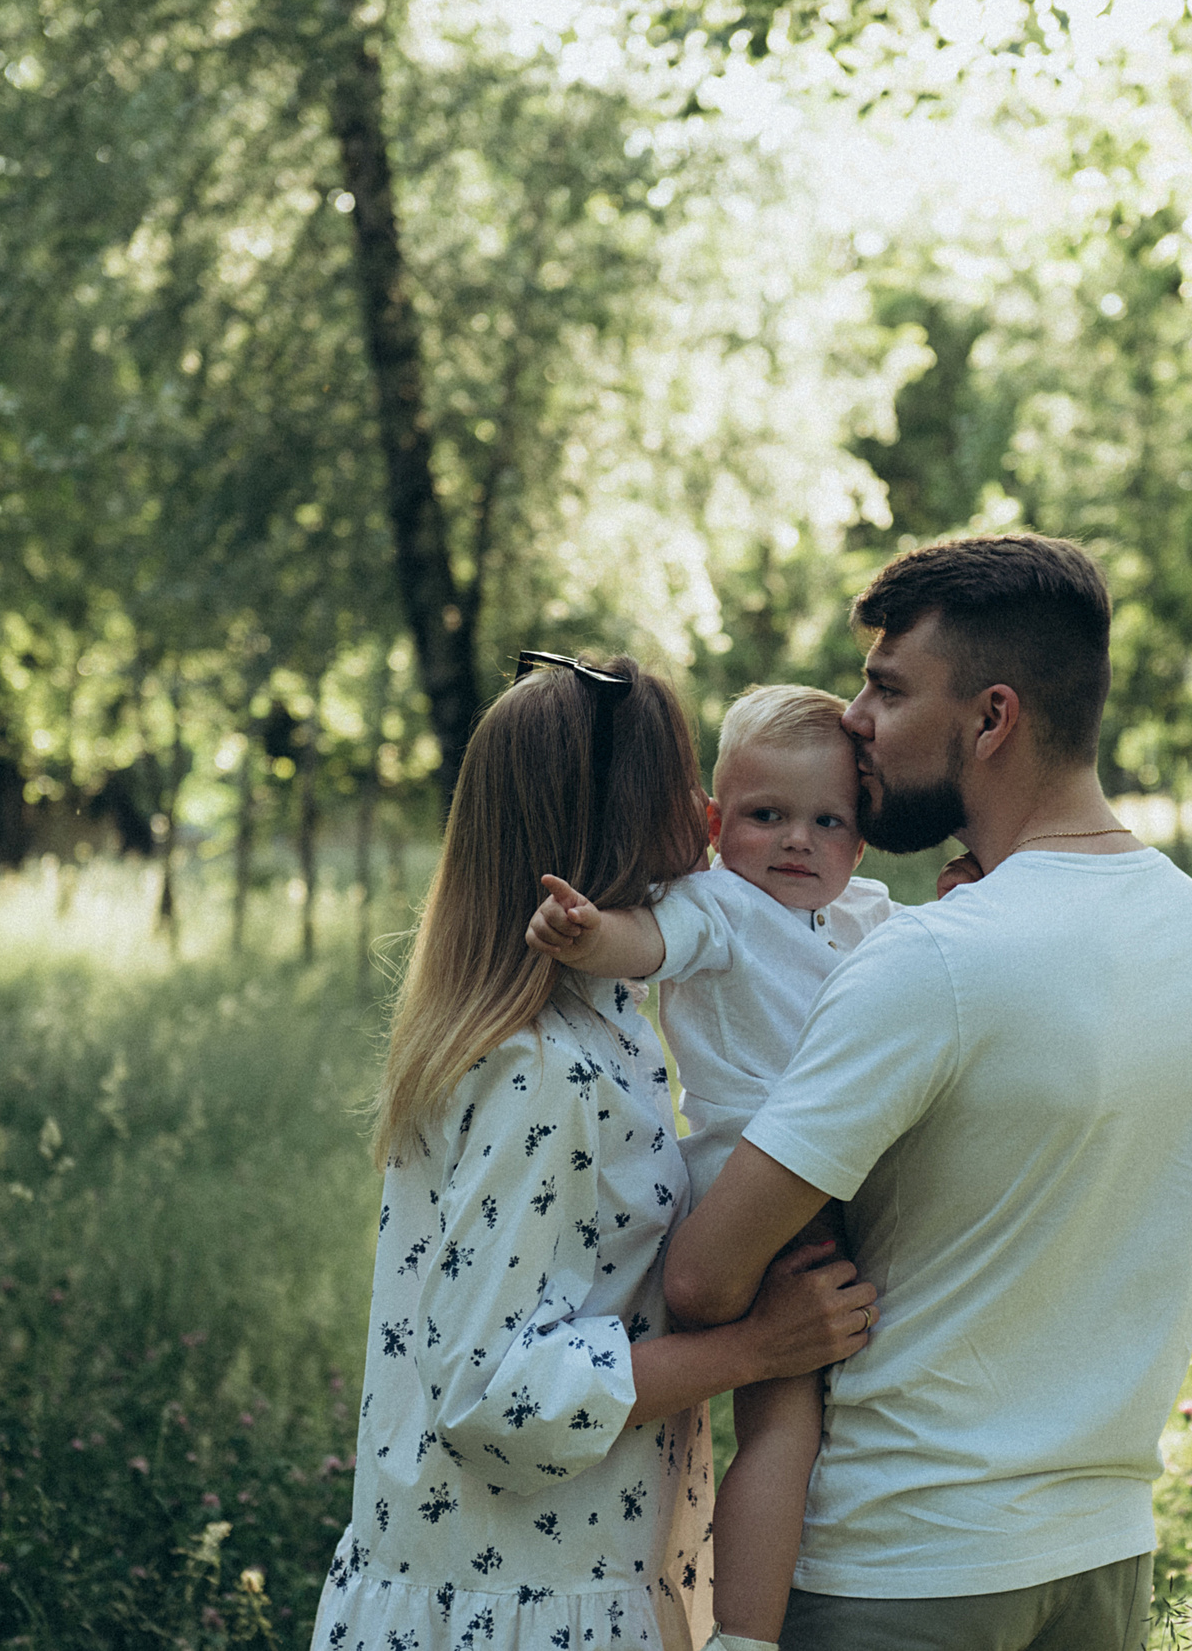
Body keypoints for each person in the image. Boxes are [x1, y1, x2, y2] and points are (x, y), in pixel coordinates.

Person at [662, 535, 1192, 1651]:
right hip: (1100, 1566)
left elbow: (708, 1276)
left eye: (888, 688)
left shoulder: (926, 960)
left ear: (991, 718)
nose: (854, 716)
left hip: (901, 1573)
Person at [313, 653, 878, 1651]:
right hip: (524, 1603)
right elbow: (495, 1391)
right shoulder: (540, 1067)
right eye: (681, 792)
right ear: (626, 825)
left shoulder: (592, 1018)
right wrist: (753, 1348)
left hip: (555, 1572)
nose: (704, 813)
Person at [525, 685, 978, 1651]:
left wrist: (973, 897)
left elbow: (940, 965)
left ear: (861, 841)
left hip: (855, 1179)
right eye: (767, 816)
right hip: (759, 1194)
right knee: (783, 1426)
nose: (797, 842)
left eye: (827, 821)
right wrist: (588, 934)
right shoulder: (716, 905)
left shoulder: (863, 913)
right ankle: (743, 1635)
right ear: (713, 825)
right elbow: (644, 944)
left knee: (848, 1402)